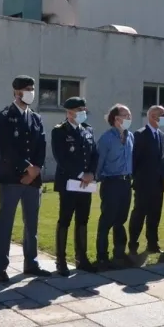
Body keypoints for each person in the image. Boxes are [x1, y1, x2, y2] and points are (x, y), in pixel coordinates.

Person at [0, 75, 50, 282]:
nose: (31, 93)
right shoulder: (4, 116)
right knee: (5, 223)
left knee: (31, 223)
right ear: (16, 92)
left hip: (33, 179)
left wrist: (36, 169)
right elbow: (6, 147)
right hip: (11, 177)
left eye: (32, 89)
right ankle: (0, 267)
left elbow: (42, 146)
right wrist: (26, 168)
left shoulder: (36, 118)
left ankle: (31, 263)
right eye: (27, 89)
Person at [51, 96, 99, 276]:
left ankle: (82, 258)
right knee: (65, 219)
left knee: (83, 220)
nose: (83, 113)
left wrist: (91, 173)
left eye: (84, 110)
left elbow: (94, 154)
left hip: (86, 184)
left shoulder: (88, 129)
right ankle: (61, 260)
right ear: (69, 112)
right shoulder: (60, 131)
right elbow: (61, 158)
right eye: (79, 110)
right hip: (69, 183)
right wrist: (81, 174)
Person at [95, 104, 134, 269]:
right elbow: (99, 162)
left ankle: (119, 253)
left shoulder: (130, 136)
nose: (129, 118)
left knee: (121, 219)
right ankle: (102, 256)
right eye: (126, 115)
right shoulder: (106, 138)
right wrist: (95, 179)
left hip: (126, 183)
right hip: (111, 183)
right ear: (116, 119)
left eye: (130, 115)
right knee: (107, 219)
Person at [128, 105, 164, 255]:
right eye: (161, 114)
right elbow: (134, 160)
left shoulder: (161, 135)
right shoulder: (140, 135)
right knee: (139, 214)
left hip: (158, 183)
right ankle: (133, 244)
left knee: (155, 214)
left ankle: (152, 243)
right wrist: (137, 179)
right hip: (143, 184)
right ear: (152, 116)